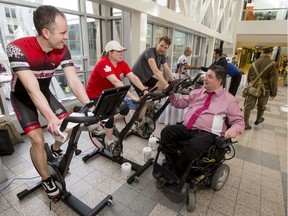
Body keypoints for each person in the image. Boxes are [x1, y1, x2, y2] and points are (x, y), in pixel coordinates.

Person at [6, 5, 91, 200]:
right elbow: (31, 88)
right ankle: (45, 178)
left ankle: (53, 151)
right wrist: (51, 118)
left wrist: (89, 103)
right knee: (37, 139)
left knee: (67, 127)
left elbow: (73, 80)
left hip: (45, 92)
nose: (66, 37)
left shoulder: (61, 50)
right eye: (62, 32)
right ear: (46, 32)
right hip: (23, 98)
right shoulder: (18, 48)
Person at [160, 65, 244, 177]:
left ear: (219, 81)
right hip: (188, 128)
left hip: (208, 134)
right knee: (167, 132)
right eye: (205, 75)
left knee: (193, 146)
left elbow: (239, 122)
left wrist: (234, 130)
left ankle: (176, 172)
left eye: (210, 76)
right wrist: (171, 94)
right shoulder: (197, 92)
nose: (205, 78)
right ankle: (172, 163)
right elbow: (179, 103)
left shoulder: (229, 100)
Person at [86, 40, 148, 153]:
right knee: (109, 115)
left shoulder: (122, 63)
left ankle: (108, 125)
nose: (121, 53)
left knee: (125, 109)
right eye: (118, 51)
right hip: (95, 94)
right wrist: (131, 96)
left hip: (110, 93)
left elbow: (133, 77)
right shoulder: (103, 63)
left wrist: (144, 90)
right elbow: (115, 81)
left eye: (121, 51)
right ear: (110, 52)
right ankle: (109, 142)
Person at [243, 47, 278, 130]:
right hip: (265, 89)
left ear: (263, 52)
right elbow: (274, 80)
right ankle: (258, 119)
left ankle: (245, 123)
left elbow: (249, 77)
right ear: (271, 53)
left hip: (253, 88)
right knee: (261, 106)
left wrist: (252, 84)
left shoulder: (254, 63)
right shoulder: (273, 64)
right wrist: (274, 92)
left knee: (248, 106)